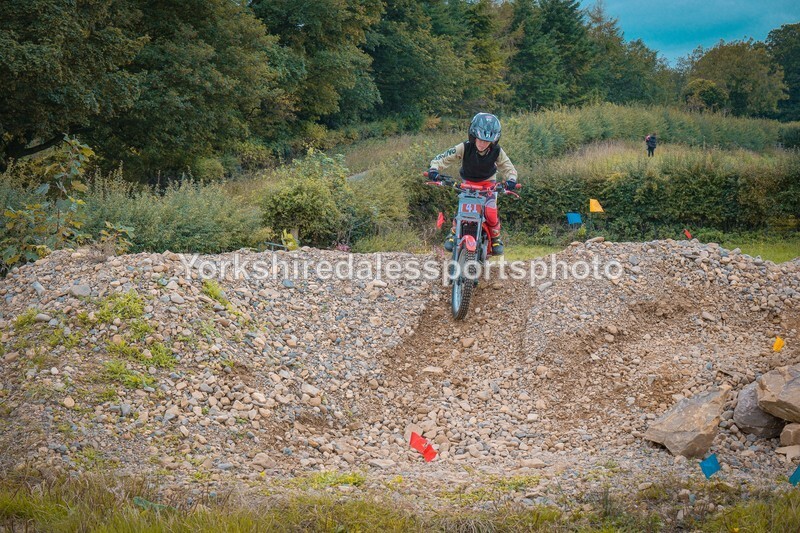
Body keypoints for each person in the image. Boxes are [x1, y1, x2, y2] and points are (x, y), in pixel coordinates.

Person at [427, 112, 518, 255]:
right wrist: (434, 169)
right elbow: (443, 157)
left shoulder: (497, 151)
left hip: (488, 184)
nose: (482, 144)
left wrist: (511, 179)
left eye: (487, 141)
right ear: (473, 136)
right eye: (480, 140)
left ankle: (496, 237)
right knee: (464, 208)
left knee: (490, 211)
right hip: (468, 183)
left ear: (493, 141)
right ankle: (454, 232)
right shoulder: (464, 147)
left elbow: (508, 168)